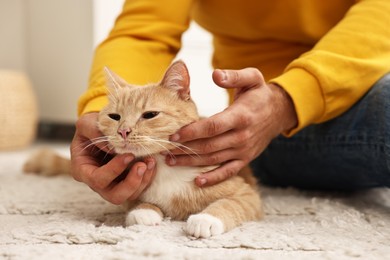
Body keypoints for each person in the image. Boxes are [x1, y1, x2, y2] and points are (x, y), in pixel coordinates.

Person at [71, 0, 390, 205]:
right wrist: (101, 109)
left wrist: (290, 98)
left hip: (348, 77)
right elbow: (141, 33)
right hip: (264, 117)